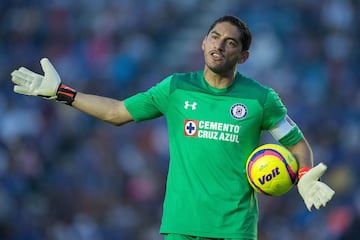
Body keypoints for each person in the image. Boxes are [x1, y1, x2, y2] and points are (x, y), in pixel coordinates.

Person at [10, 15, 334, 240]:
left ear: (244, 56)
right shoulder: (176, 88)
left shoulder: (260, 98)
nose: (219, 45)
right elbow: (117, 112)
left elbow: (295, 142)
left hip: (234, 228)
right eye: (214, 37)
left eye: (230, 43)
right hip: (182, 227)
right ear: (203, 42)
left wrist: (304, 176)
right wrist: (63, 93)